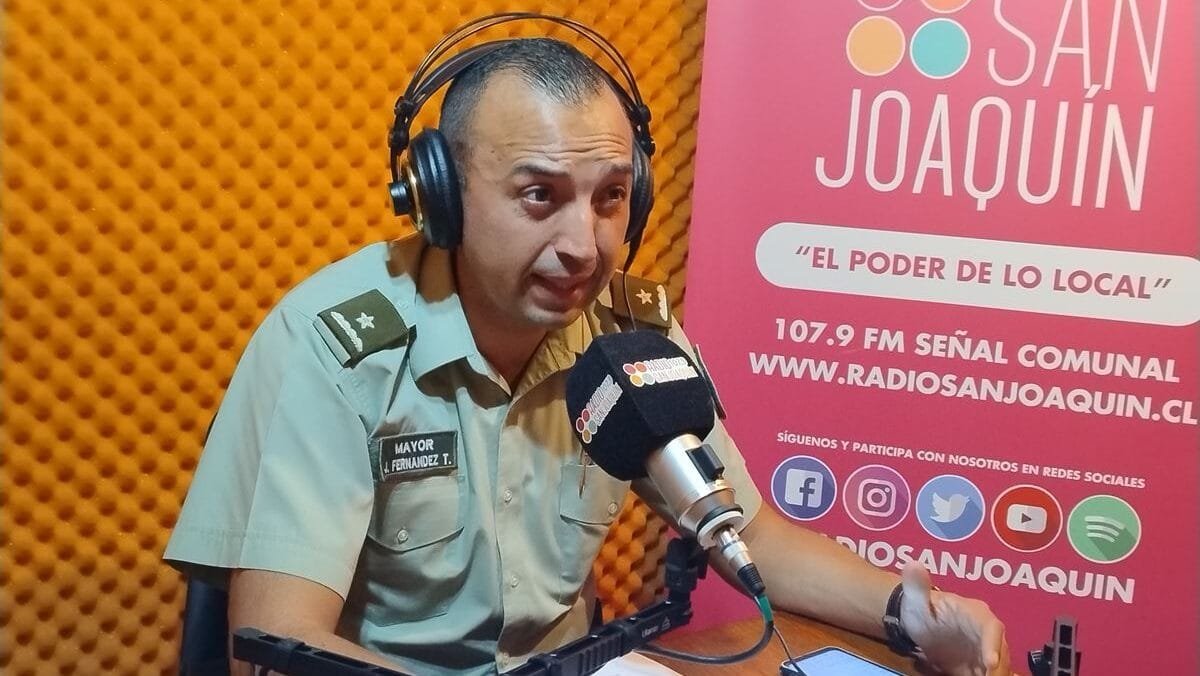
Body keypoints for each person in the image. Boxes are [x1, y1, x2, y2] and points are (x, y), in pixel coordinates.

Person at [164, 27, 1012, 676]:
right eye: (540, 196)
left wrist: (911, 612)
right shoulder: (333, 346)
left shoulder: (630, 335)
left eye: (610, 198)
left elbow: (748, 532)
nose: (585, 244)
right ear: (441, 199)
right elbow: (279, 638)